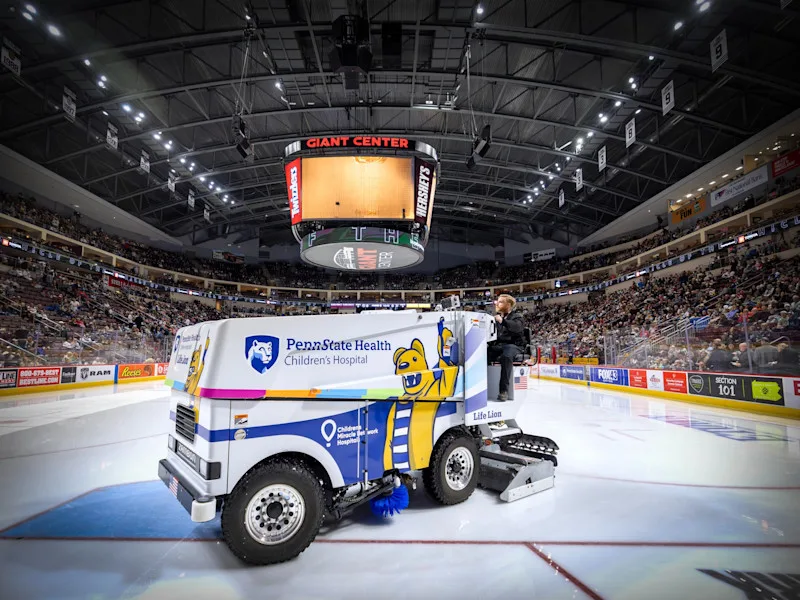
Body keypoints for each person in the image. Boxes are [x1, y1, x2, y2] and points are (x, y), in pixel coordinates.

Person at [487, 293, 526, 401]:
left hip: (514, 346)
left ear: (508, 305)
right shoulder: (496, 319)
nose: (497, 304)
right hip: (500, 345)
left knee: (506, 356)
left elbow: (517, 327)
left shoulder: (517, 317)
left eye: (500, 302)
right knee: (484, 353)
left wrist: (502, 321)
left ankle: (503, 391)